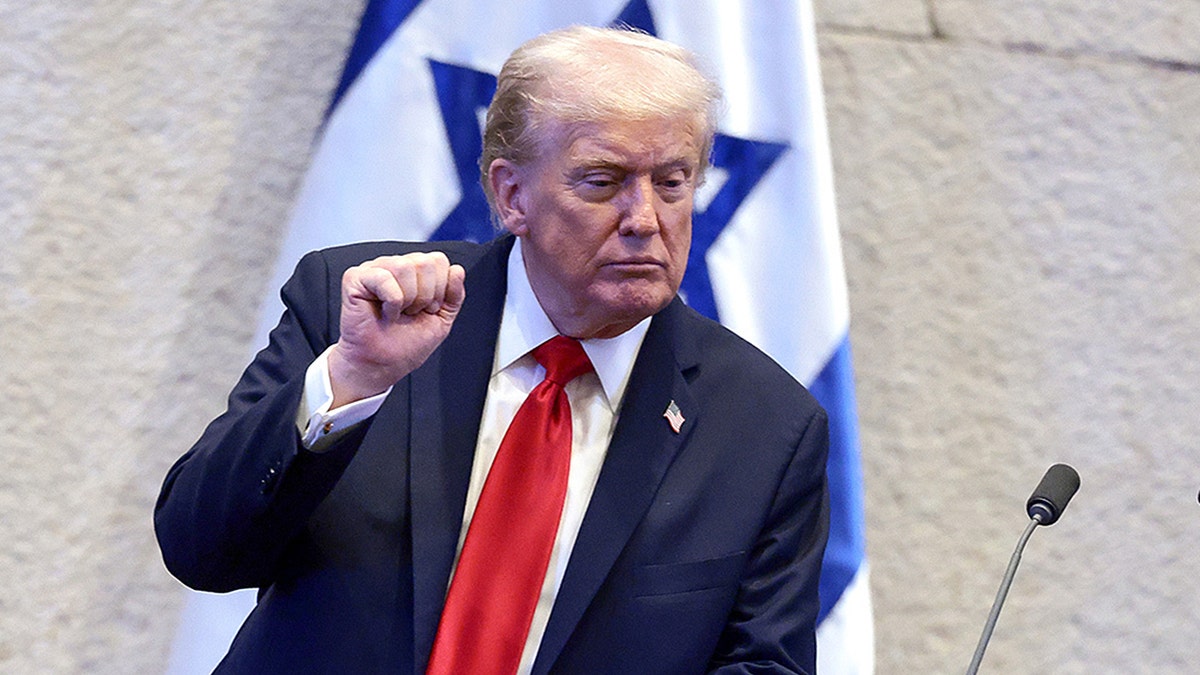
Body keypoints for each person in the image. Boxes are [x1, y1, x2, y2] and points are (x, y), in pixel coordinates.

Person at [155, 25, 830, 675]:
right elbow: (201, 549)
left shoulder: (766, 426)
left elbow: (765, 663)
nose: (644, 218)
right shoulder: (358, 308)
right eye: (602, 181)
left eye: (673, 182)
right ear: (512, 194)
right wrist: (353, 377)